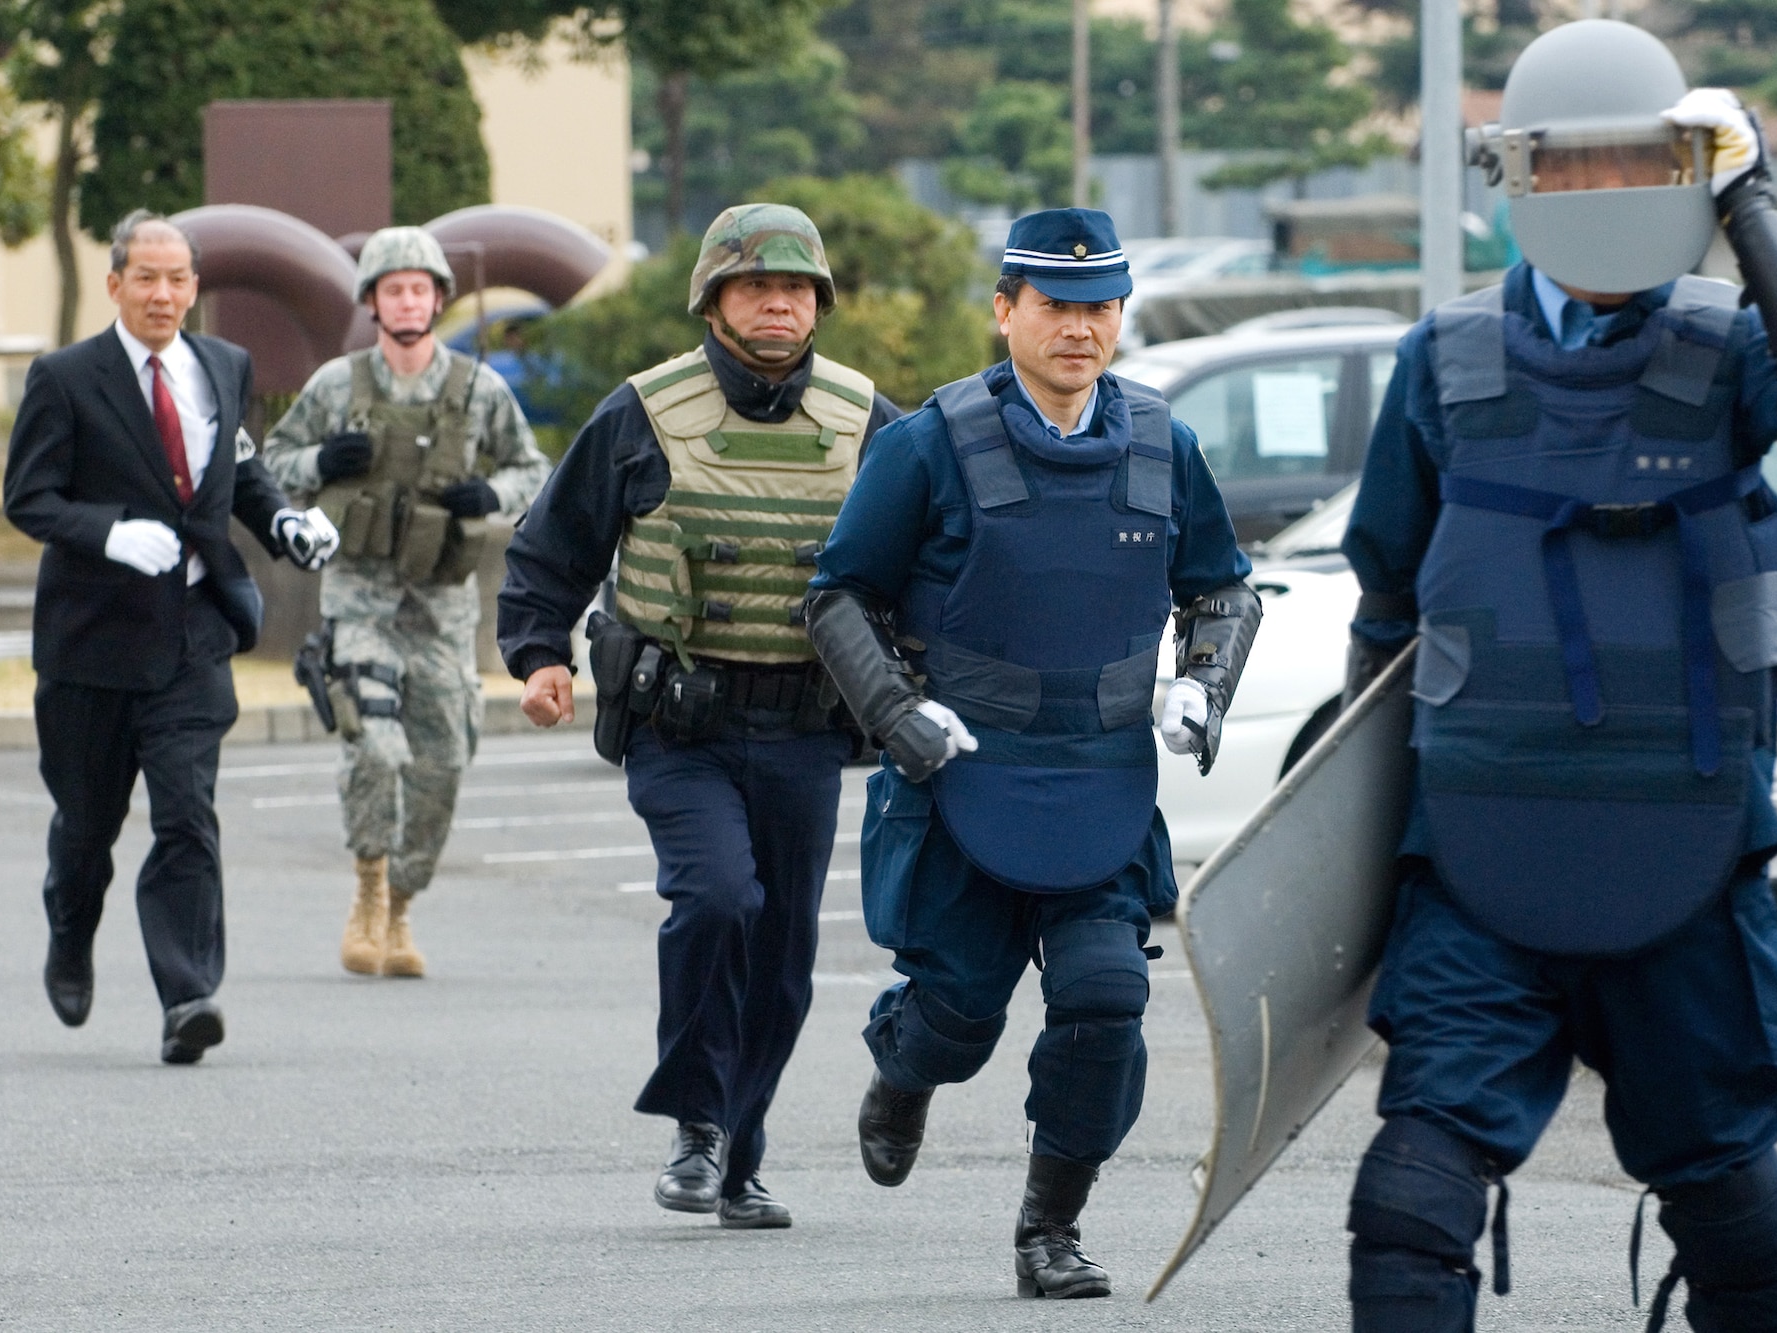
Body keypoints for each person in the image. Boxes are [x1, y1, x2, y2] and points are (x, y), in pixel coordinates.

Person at [1336, 22, 1777, 1332]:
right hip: (1484, 860)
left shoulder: (1735, 353)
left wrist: (1745, 196)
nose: (1603, 195)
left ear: (1682, 175)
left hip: (1687, 856)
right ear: (1522, 180)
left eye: (1640, 166)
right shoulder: (1444, 364)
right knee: (1408, 1203)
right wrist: (1359, 868)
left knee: (1729, 1198)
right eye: (1570, 168)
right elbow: (1386, 609)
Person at [805, 207, 1261, 1298]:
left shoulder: (1163, 443)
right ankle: (903, 1067)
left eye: (1098, 306)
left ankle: (1047, 1230)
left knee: (1106, 998)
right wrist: (894, 714)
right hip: (960, 775)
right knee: (957, 1019)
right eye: (1054, 306)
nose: (1078, 327)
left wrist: (1204, 680)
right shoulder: (929, 442)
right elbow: (837, 597)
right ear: (1004, 310)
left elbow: (1220, 587)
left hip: (1100, 781)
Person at [498, 203, 902, 1229]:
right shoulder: (642, 412)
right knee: (720, 899)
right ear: (713, 301)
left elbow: (931, 562)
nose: (781, 301)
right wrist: (539, 655)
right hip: (681, 726)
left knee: (784, 962)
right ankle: (694, 1127)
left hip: (807, 727)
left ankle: (737, 1153)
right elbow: (552, 549)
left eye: (800, 286)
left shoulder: (867, 421)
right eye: (756, 284)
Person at [4, 209, 339, 1064]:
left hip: (192, 630)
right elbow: (29, 498)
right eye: (146, 277)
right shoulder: (66, 377)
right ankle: (71, 932)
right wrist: (107, 531)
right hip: (92, 643)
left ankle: (187, 993)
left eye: (178, 277)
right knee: (87, 825)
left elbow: (240, 468)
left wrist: (286, 524)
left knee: (187, 814)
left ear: (195, 285)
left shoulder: (222, 365)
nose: (163, 293)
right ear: (115, 283)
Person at [263, 227, 550, 979]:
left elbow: (534, 469)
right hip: (359, 600)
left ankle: (401, 903)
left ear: (439, 300)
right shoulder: (336, 385)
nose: (408, 300)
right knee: (377, 748)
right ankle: (364, 893)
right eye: (394, 289)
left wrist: (493, 497)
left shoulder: (478, 389)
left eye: (421, 288)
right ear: (373, 302)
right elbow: (271, 465)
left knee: (444, 761)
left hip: (443, 609)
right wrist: (321, 461)